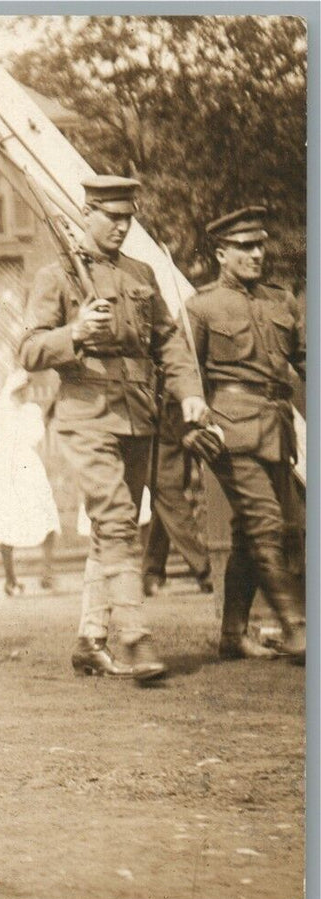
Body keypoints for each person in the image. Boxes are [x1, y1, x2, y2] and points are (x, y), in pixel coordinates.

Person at [17, 175, 204, 682]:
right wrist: (75, 333)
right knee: (118, 518)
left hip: (138, 413)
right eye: (111, 217)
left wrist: (189, 392)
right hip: (85, 413)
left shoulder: (141, 273)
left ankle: (90, 639)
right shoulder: (57, 278)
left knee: (112, 529)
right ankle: (135, 637)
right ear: (87, 215)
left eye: (127, 218)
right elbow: (29, 349)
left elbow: (168, 341)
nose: (121, 227)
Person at [185, 205, 305, 661]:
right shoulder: (202, 306)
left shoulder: (281, 301)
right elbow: (182, 375)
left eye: (260, 245)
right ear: (221, 253)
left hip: (276, 426)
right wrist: (189, 428)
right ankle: (297, 628)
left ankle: (233, 634)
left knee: (258, 531)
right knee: (266, 525)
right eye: (245, 247)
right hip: (229, 429)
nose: (257, 253)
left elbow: (303, 359)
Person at [0, 369, 60, 596]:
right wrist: (9, 396)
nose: (24, 394)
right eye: (19, 390)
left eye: (26, 390)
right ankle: (10, 578)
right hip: (3, 467)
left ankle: (47, 572)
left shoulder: (30, 412)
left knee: (45, 514)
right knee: (5, 519)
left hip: (27, 465)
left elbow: (35, 436)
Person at [141, 394, 213, 596]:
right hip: (159, 454)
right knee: (177, 514)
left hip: (169, 451)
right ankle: (206, 571)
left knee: (163, 515)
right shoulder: (169, 376)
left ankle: (151, 574)